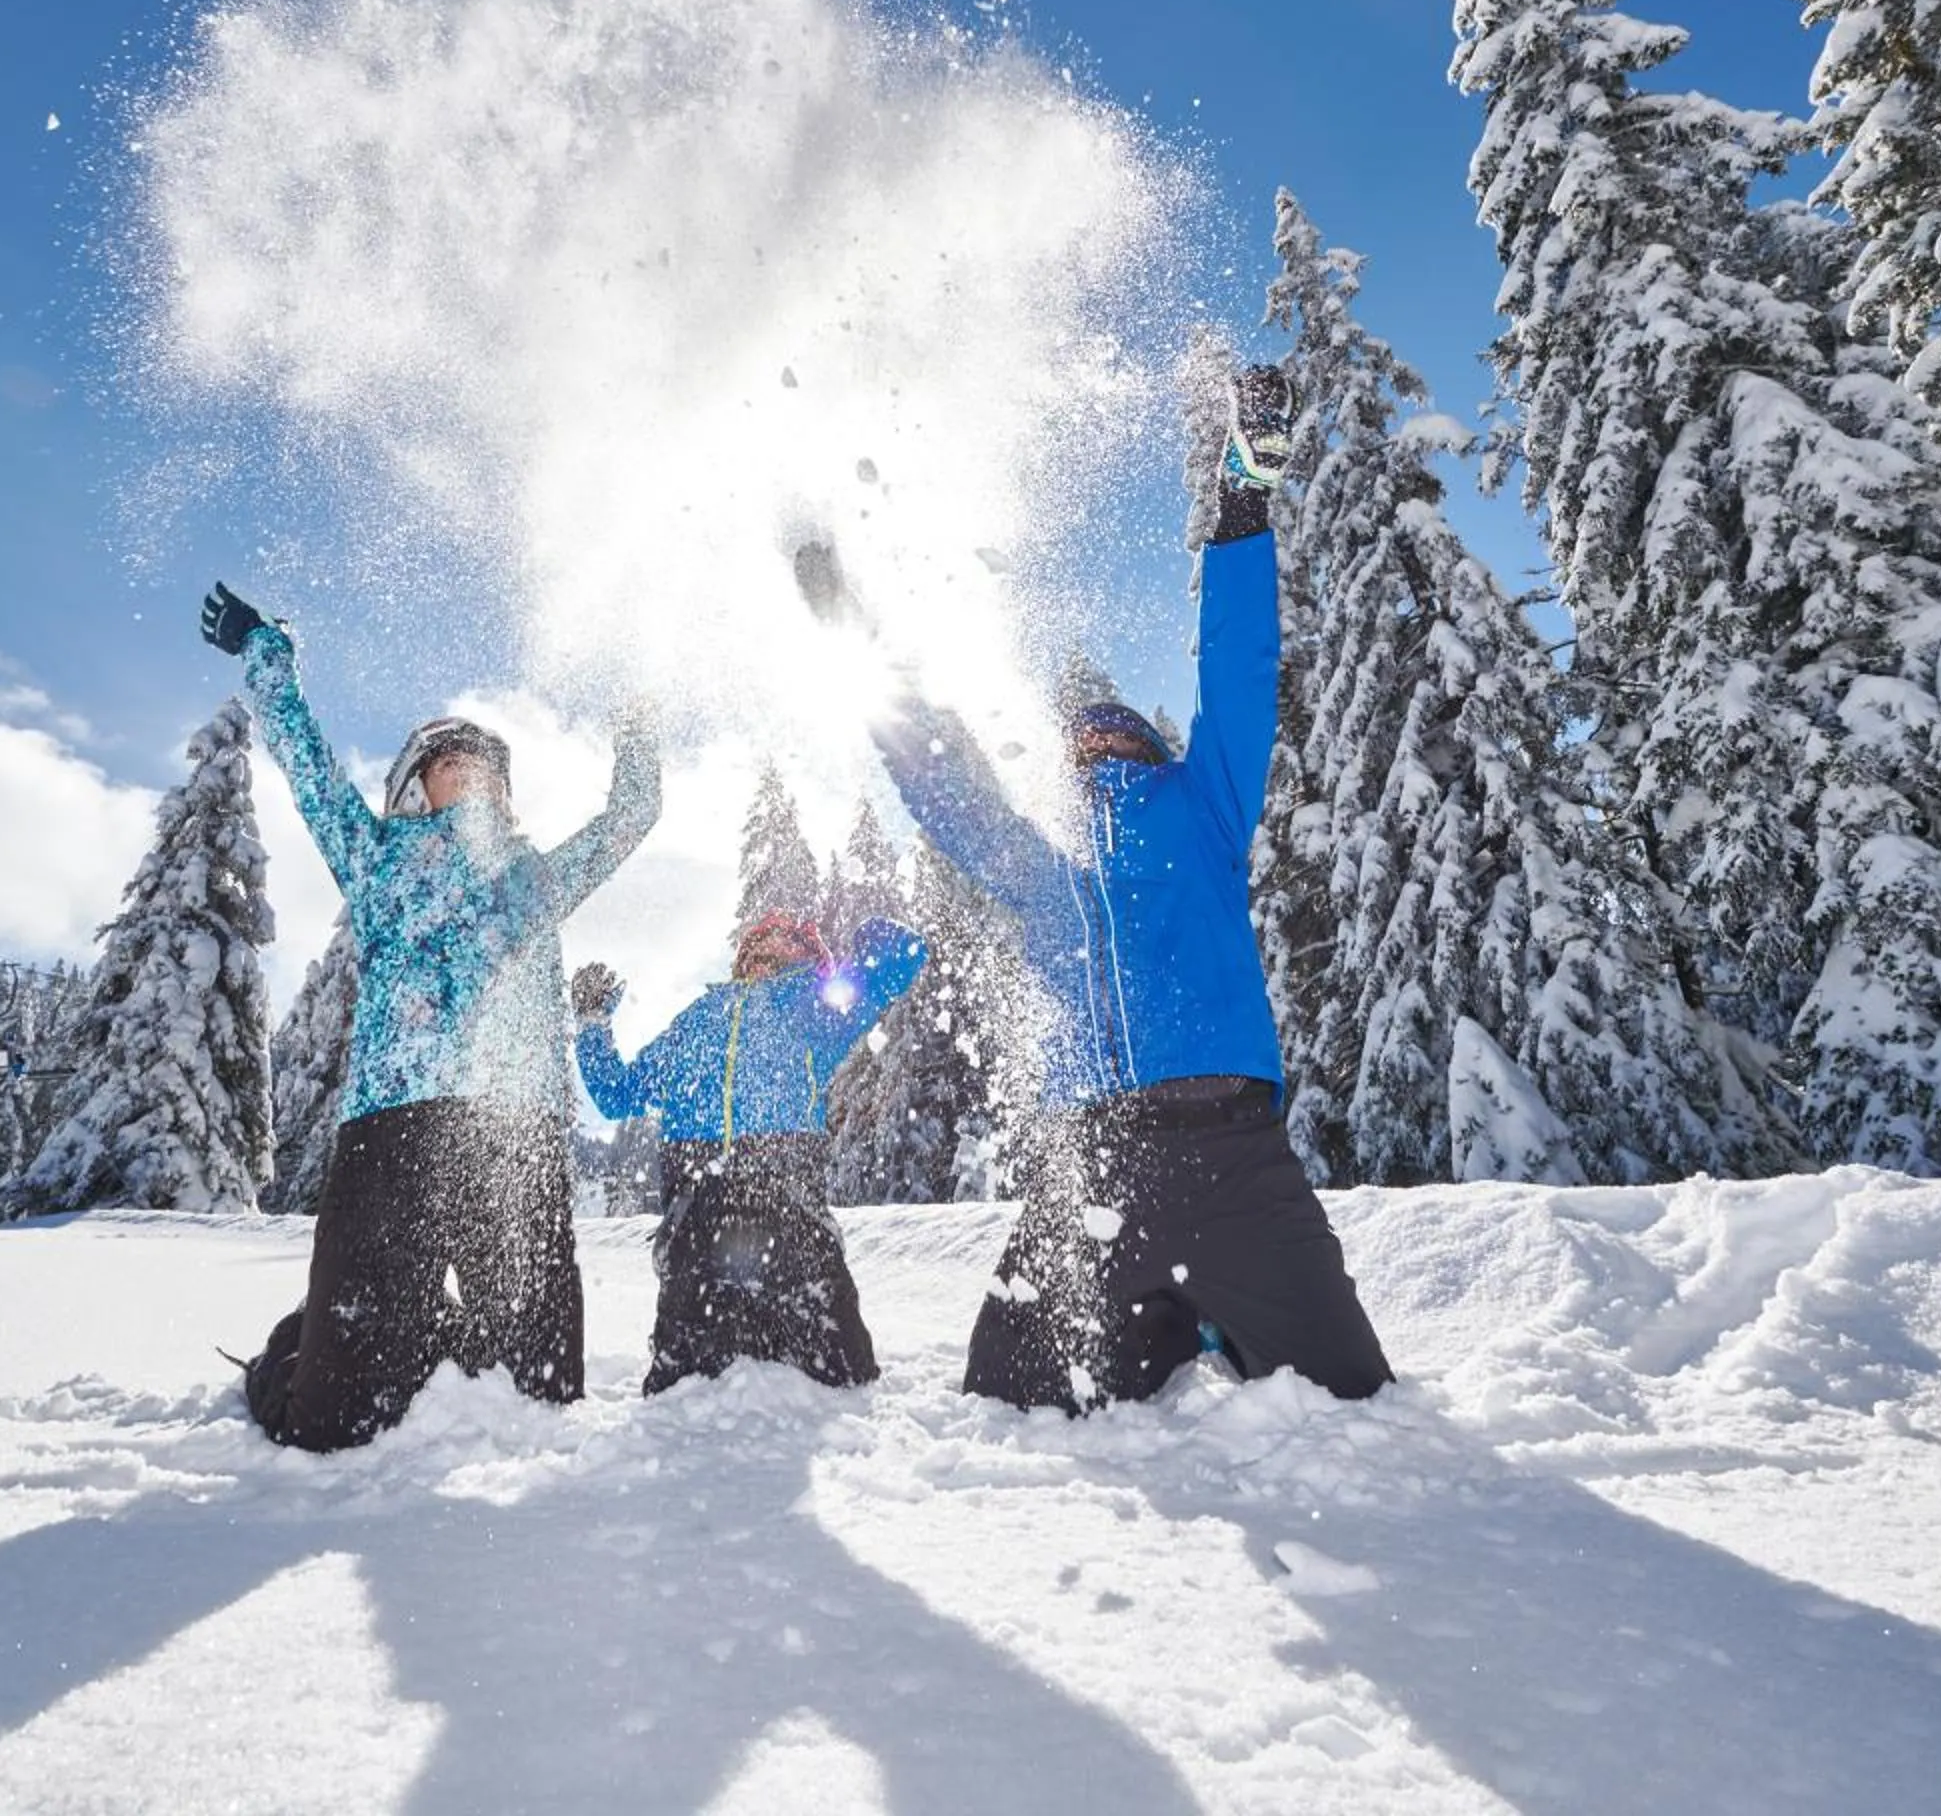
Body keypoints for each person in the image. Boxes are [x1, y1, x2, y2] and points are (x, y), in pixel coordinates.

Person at [820, 366, 1394, 1411]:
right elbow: (947, 785)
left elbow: (1238, 672)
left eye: (1113, 724)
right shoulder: (1044, 862)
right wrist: (856, 635)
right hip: (1089, 1171)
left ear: (1145, 737)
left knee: (1355, 1400)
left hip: (1234, 1158)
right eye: (1077, 735)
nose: (1093, 737)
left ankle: (1205, 1320)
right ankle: (1176, 1332)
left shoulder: (1204, 800)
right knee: (1003, 1407)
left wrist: (1242, 504)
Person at [202, 582, 663, 1451]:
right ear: (416, 782)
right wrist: (267, 654)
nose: (476, 765)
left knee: (541, 1396)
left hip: (514, 1134)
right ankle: (307, 1345)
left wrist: (637, 715)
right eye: (455, 756)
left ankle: (415, 1329)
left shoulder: (534, 875)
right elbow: (305, 766)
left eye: (490, 759)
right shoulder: (375, 856)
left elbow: (630, 818)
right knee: (329, 1423)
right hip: (393, 1128)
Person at [572, 908, 924, 1393]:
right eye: (757, 941)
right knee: (683, 1377)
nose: (766, 947)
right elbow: (616, 1095)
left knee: (839, 1362)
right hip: (697, 1199)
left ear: (809, 958)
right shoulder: (697, 1020)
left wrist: (871, 937)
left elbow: (904, 957)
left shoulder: (815, 1008)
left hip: (783, 1189)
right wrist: (592, 1024)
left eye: (786, 941)